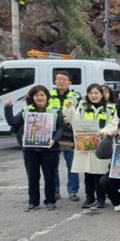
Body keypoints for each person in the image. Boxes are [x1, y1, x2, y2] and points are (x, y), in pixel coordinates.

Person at [5, 85, 64, 211]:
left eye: (42, 95)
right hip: (30, 149)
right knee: (32, 176)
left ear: (47, 97)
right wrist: (8, 107)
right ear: (32, 97)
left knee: (50, 176)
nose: (39, 97)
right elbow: (13, 123)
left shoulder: (55, 110)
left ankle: (50, 200)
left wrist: (54, 140)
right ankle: (33, 201)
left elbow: (60, 128)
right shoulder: (26, 110)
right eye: (36, 95)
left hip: (50, 149)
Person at [65, 84, 118, 209]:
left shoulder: (110, 107)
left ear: (101, 94)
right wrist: (69, 109)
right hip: (86, 143)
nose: (93, 96)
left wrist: (103, 132)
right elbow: (75, 120)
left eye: (96, 93)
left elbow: (114, 123)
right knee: (88, 173)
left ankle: (101, 198)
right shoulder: (82, 106)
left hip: (102, 144)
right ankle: (89, 197)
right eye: (91, 93)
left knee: (101, 173)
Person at [48, 71, 81, 202]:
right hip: (52, 132)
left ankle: (73, 191)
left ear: (70, 83)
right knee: (52, 164)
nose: (61, 82)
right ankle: (55, 191)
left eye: (64, 80)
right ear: (55, 81)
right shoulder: (48, 95)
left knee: (71, 163)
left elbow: (80, 113)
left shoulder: (76, 96)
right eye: (59, 79)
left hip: (67, 133)